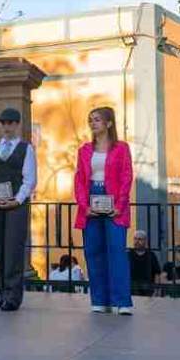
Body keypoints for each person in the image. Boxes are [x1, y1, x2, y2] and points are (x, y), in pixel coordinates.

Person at [73, 106, 134, 315]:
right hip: (91, 199)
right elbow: (80, 180)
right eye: (90, 120)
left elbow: (127, 177)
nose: (93, 123)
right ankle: (99, 299)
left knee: (117, 251)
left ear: (109, 123)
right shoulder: (84, 150)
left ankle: (122, 301)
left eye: (97, 119)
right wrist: (84, 205)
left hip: (115, 201)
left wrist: (120, 204)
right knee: (94, 251)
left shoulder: (121, 148)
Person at [0, 107, 38, 312]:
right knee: (0, 249)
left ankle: (13, 296)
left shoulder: (26, 148)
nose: (6, 127)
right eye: (3, 123)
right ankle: (3, 293)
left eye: (10, 123)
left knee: (14, 249)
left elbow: (29, 180)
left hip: (16, 206)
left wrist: (18, 199)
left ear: (17, 124)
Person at [128, 230, 161, 297]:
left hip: (147, 288)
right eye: (135, 239)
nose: (137, 241)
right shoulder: (128, 254)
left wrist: (156, 290)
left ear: (145, 241)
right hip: (132, 288)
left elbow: (157, 274)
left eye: (140, 239)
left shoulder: (151, 255)